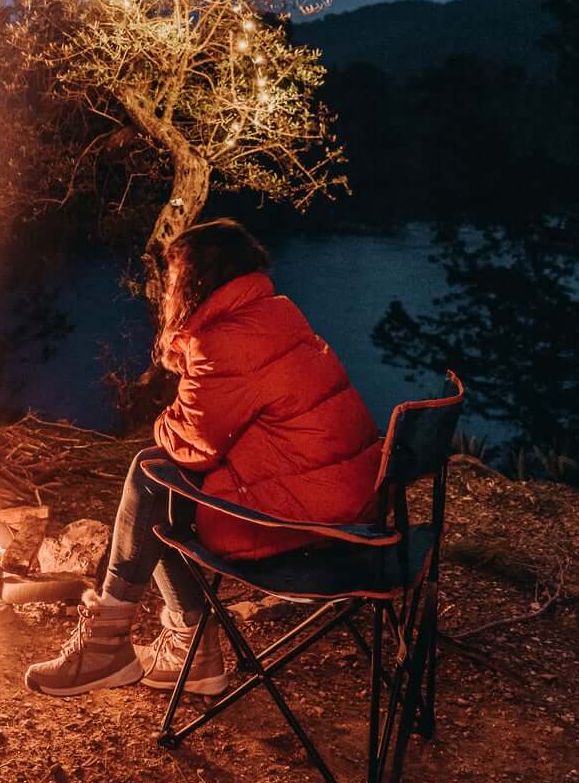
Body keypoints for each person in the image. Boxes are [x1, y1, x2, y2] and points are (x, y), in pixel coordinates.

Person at [24, 218, 383, 697]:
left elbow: (191, 441)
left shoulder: (226, 340)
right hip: (352, 507)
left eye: (173, 279)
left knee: (153, 476)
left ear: (195, 281)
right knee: (164, 483)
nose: (169, 289)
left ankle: (118, 646)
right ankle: (188, 652)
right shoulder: (275, 313)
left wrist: (162, 423)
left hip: (310, 526)